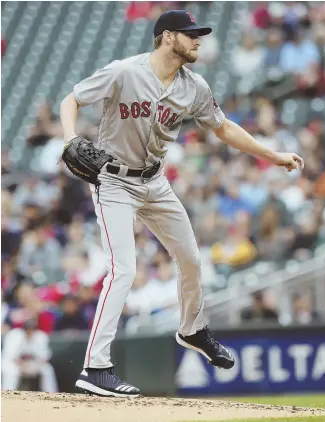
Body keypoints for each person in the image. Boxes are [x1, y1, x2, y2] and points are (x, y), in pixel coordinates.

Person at [60, 9, 304, 398]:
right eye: (191, 34)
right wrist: (70, 138)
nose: (198, 40)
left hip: (155, 181)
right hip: (113, 181)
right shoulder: (125, 71)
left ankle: (192, 329)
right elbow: (71, 100)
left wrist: (270, 154)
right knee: (123, 269)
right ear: (168, 37)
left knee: (191, 257)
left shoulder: (195, 87)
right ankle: (96, 367)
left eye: (199, 34)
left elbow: (223, 127)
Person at [1, 319, 58, 392]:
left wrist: (35, 365)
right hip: (14, 364)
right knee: (11, 370)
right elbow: (9, 356)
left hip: (32, 364)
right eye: (28, 330)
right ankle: (7, 393)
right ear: (24, 329)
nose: (30, 332)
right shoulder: (14, 335)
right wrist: (21, 364)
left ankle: (51, 393)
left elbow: (45, 356)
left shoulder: (40, 336)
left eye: (32, 330)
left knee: (47, 369)